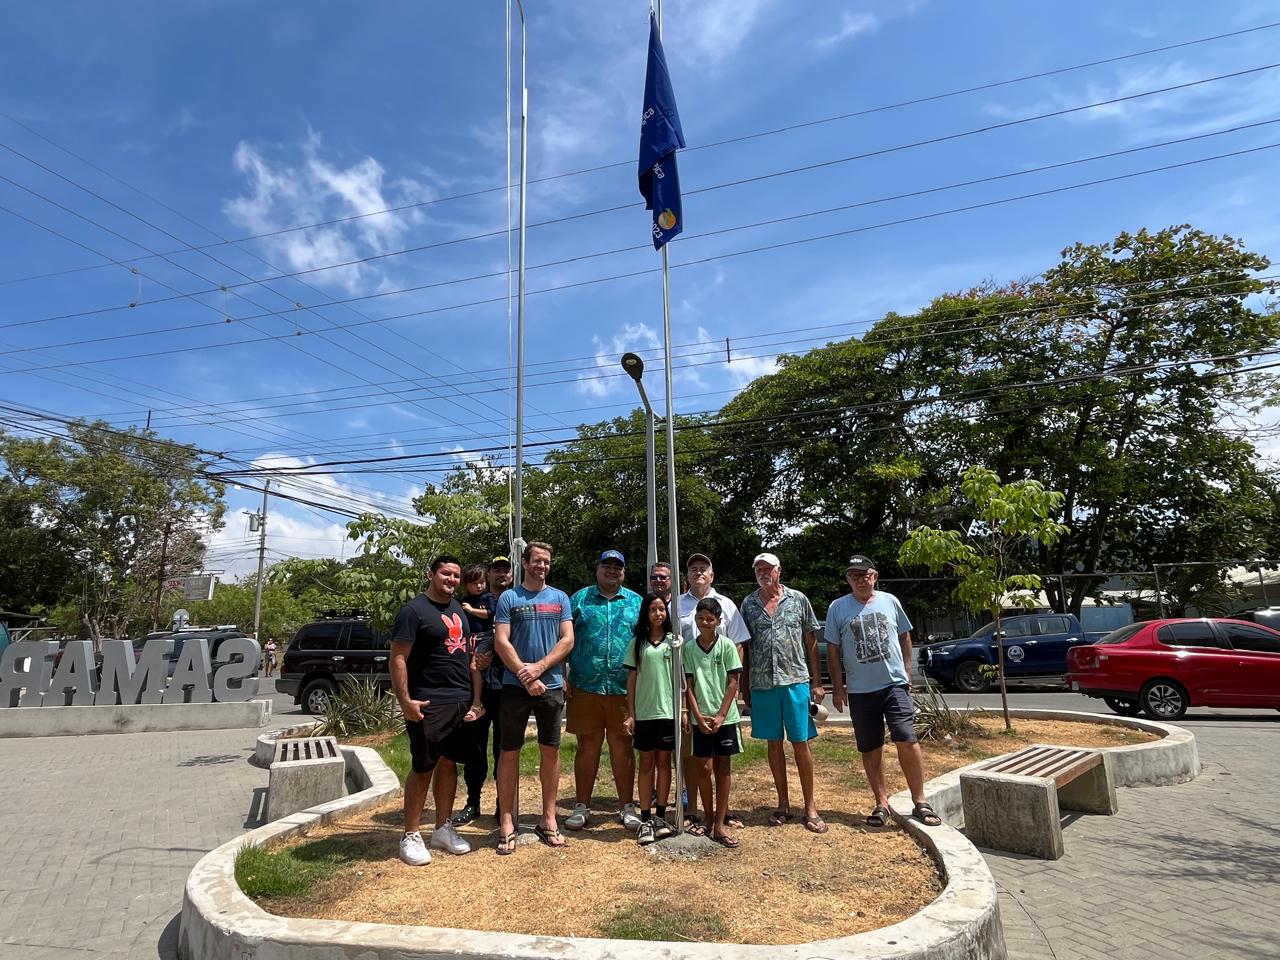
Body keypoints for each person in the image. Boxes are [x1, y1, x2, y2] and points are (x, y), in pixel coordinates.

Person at [827, 554, 941, 827]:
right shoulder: (837, 608)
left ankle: (920, 800)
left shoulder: (890, 601)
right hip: (860, 690)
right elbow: (833, 648)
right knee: (871, 746)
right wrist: (838, 687)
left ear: (874, 576)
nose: (860, 580)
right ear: (848, 580)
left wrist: (907, 669)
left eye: (865, 575)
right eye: (854, 576)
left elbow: (904, 635)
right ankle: (881, 802)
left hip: (893, 684)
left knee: (906, 738)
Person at [391, 555, 486, 866]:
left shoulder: (458, 608)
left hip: (459, 701)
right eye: (446, 573)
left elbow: (468, 657)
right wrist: (405, 700)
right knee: (423, 766)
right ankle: (410, 834)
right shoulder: (413, 610)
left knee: (449, 764)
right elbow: (398, 658)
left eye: (456, 575)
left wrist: (475, 699)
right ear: (431, 574)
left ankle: (443, 828)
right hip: (428, 701)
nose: (452, 579)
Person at [493, 540, 574, 854]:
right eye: (537, 561)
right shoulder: (509, 598)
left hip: (551, 685)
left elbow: (567, 640)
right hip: (515, 688)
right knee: (509, 751)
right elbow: (502, 641)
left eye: (546, 562)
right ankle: (507, 820)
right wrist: (524, 675)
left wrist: (538, 669)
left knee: (550, 751)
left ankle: (548, 818)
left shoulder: (560, 598)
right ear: (524, 563)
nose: (542, 566)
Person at [740, 552, 827, 834]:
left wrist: (816, 681)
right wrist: (744, 687)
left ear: (779, 571)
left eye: (768, 568)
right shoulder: (749, 604)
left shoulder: (798, 599)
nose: (763, 573)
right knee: (773, 744)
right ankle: (783, 804)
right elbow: (745, 648)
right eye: (758, 569)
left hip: (795, 682)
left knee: (801, 742)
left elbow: (811, 641)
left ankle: (810, 806)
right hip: (763, 685)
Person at [564, 549, 643, 832]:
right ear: (597, 569)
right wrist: (563, 675)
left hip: (625, 688)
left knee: (623, 746)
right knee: (587, 746)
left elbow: (647, 642)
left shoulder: (637, 602)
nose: (612, 571)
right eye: (606, 566)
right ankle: (581, 805)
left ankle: (626, 806)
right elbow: (564, 638)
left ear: (624, 571)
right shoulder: (579, 600)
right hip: (585, 686)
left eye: (617, 567)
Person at [676, 553, 750, 830]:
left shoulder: (727, 605)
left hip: (722, 701)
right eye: (693, 569)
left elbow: (739, 645)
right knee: (694, 758)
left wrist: (733, 696)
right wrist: (688, 707)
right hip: (692, 697)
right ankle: (694, 809)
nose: (698, 573)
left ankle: (721, 814)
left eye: (703, 569)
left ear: (712, 574)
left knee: (722, 765)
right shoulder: (676, 604)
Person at [623, 593, 683, 845]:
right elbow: (632, 680)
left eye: (662, 609)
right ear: (645, 614)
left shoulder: (673, 642)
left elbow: (681, 680)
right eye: (653, 610)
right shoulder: (638, 643)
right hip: (645, 713)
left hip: (667, 712)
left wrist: (683, 711)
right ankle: (645, 818)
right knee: (645, 765)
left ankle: (660, 816)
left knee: (664, 764)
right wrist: (630, 714)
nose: (658, 614)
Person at [683, 597, 743, 848]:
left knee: (723, 769)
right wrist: (696, 715)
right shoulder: (689, 649)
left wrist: (721, 715)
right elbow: (689, 686)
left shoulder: (727, 646)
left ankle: (719, 823)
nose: (705, 623)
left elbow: (732, 683)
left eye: (710, 619)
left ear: (718, 621)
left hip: (725, 718)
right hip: (701, 719)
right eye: (700, 618)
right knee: (704, 769)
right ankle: (707, 817)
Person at [454, 563, 499, 826]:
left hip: (503, 687)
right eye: (497, 572)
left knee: (504, 748)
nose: (502, 576)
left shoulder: (504, 601)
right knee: (474, 748)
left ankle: (503, 804)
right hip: (472, 686)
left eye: (506, 571)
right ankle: (473, 802)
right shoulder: (460, 603)